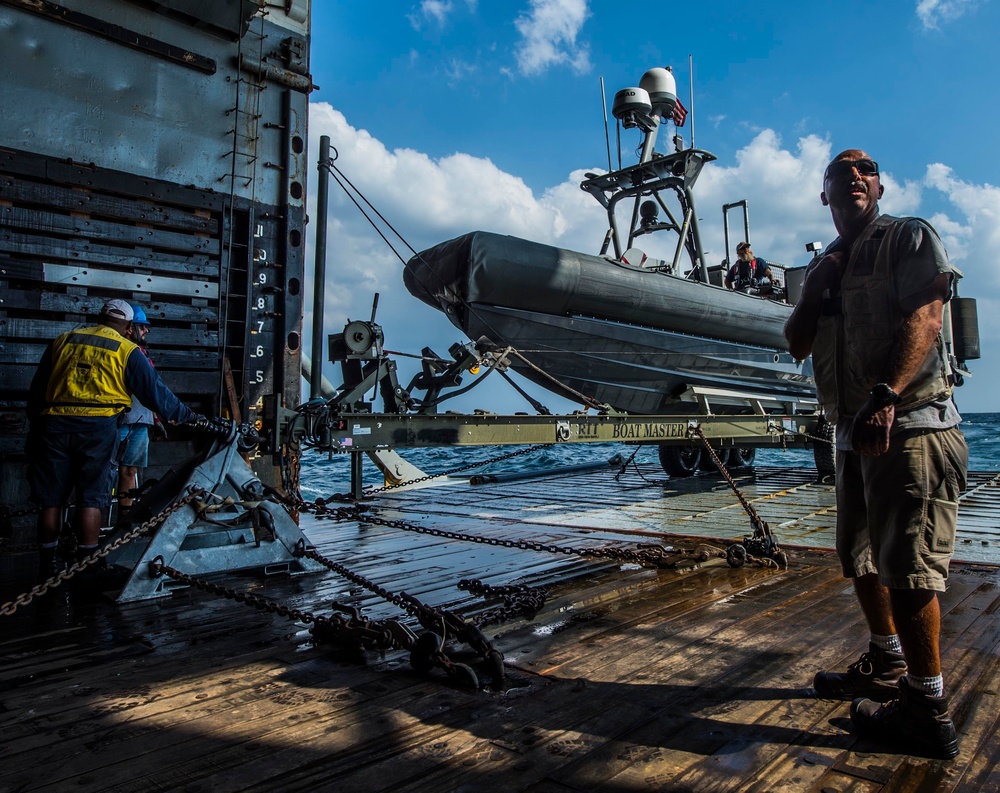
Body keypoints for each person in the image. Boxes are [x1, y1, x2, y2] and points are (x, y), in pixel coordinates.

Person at [784, 150, 967, 759]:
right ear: (825, 193)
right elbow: (796, 343)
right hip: (850, 433)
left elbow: (927, 316)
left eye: (867, 168)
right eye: (843, 171)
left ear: (880, 185)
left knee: (907, 565)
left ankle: (926, 706)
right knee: (856, 552)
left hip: (909, 425)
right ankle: (887, 660)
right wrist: (815, 286)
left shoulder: (906, 238)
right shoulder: (827, 266)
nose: (856, 176)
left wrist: (887, 395)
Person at [27, 299, 197, 582]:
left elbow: (38, 389)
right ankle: (88, 562)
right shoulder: (127, 350)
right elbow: (157, 395)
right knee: (91, 498)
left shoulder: (63, 341)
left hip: (53, 424)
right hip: (97, 427)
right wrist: (189, 417)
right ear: (128, 327)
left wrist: (37, 426)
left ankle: (47, 565)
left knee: (51, 500)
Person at [115, 304, 159, 513]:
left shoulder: (142, 355)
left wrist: (156, 420)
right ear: (130, 328)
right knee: (105, 471)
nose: (146, 331)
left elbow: (152, 390)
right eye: (143, 326)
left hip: (140, 421)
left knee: (130, 470)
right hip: (116, 421)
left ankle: (124, 519)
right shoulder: (120, 351)